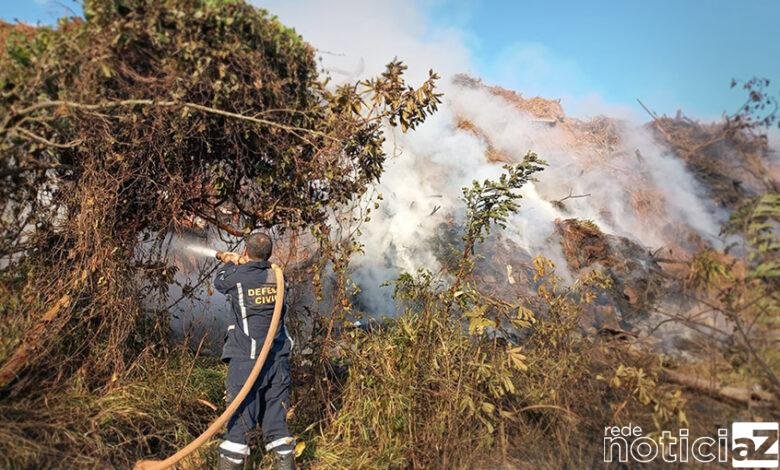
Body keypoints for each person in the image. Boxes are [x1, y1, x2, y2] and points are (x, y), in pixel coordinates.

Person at [213, 233, 295, 470]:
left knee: (238, 427)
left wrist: (230, 260)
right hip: (277, 361)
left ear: (245, 251)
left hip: (246, 362)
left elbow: (219, 282)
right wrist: (247, 262)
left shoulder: (237, 276)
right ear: (269, 254)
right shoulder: (278, 276)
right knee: (277, 427)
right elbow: (261, 272)